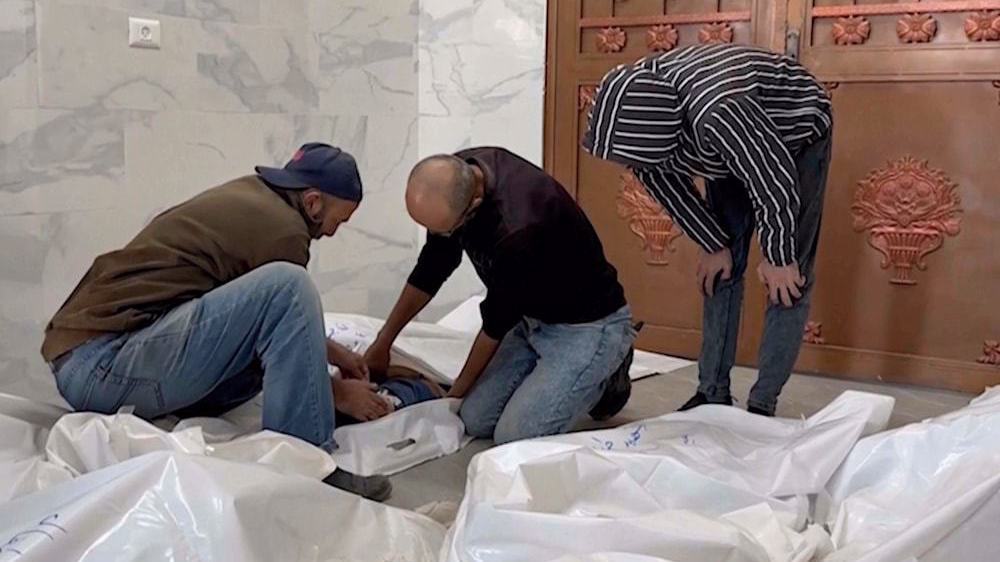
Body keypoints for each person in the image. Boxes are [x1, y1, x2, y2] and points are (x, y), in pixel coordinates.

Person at [41, 143, 392, 500]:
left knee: (261, 349)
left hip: (88, 361)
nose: (334, 231)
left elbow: (270, 325)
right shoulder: (284, 231)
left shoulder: (255, 200)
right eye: (340, 219)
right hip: (105, 364)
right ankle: (307, 467)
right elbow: (287, 309)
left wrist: (335, 355)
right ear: (314, 202)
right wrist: (336, 393)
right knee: (290, 286)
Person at [584, 44, 833, 416]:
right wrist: (712, 242)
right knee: (722, 268)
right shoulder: (634, 106)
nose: (630, 166)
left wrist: (778, 255)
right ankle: (712, 392)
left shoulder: (718, 112)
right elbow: (658, 177)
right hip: (724, 144)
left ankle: (762, 404)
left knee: (788, 280)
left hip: (794, 137)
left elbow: (773, 180)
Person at [365, 148, 637, 444]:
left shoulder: (518, 228)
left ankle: (610, 372)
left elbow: (494, 324)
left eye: (443, 231)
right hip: (529, 316)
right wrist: (383, 343)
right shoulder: (455, 175)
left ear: (474, 205)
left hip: (586, 326)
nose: (437, 235)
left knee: (514, 436)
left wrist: (452, 399)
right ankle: (548, 373)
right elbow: (432, 267)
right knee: (475, 420)